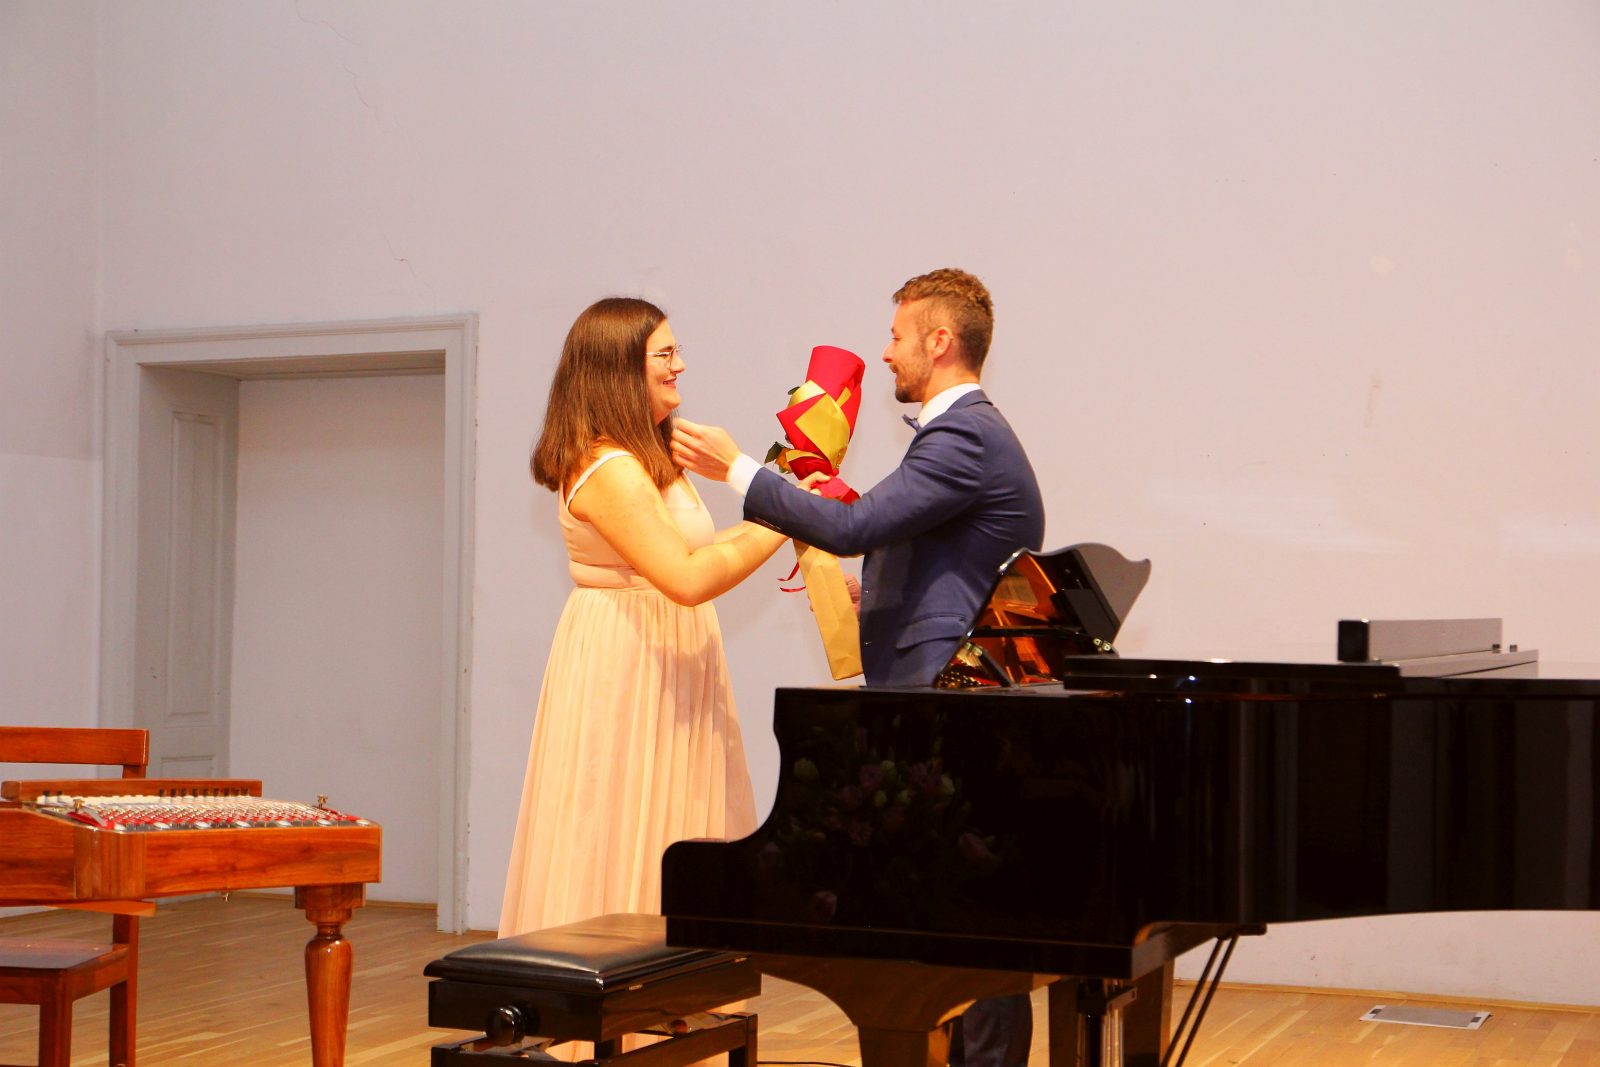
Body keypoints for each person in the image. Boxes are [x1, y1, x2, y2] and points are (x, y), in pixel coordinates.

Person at [671, 268, 1046, 1067]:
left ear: (939, 341)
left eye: (897, 336)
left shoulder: (964, 434)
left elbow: (856, 524)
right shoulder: (962, 434)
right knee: (962, 908)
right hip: (951, 691)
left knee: (974, 914)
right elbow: (934, 555)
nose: (885, 353)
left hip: (948, 697)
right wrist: (866, 592)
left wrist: (740, 469)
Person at [499, 296, 792, 940]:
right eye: (664, 353)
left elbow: (697, 552)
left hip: (667, 656)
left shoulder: (647, 459)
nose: (679, 365)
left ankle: (674, 977)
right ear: (617, 369)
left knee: (676, 816)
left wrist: (780, 503)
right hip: (629, 659)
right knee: (622, 817)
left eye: (676, 350)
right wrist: (785, 519)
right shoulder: (609, 469)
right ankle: (616, 971)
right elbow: (686, 579)